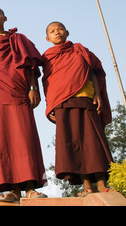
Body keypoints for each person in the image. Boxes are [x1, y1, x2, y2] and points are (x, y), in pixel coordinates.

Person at [0, 7, 47, 202]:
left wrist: (34, 88)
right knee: (3, 143)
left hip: (18, 94)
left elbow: (30, 65)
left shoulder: (18, 39)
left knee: (24, 139)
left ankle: (31, 188)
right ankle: (13, 190)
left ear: (5, 18)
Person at [42, 21, 113, 196]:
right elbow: (48, 83)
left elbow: (92, 72)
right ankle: (86, 185)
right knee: (75, 144)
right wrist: (50, 105)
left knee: (93, 142)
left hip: (85, 99)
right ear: (47, 38)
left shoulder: (80, 51)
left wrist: (97, 94)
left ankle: (102, 184)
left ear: (67, 32)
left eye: (60, 29)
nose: (57, 33)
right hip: (63, 104)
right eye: (52, 31)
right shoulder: (48, 57)